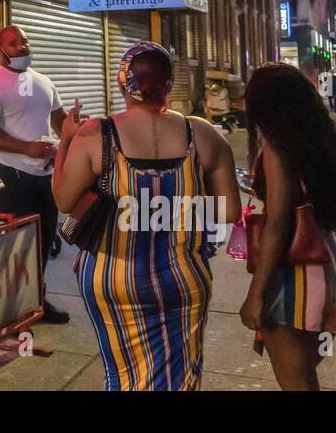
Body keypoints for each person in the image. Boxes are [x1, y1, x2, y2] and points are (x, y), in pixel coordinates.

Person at [54, 42, 241, 390]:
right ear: (169, 84)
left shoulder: (96, 134)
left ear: (124, 82)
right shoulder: (202, 134)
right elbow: (229, 210)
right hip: (182, 279)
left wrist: (65, 141)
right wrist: (169, 208)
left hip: (113, 280)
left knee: (123, 376)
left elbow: (64, 200)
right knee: (179, 376)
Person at [240, 63, 336, 391]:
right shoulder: (322, 146)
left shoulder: (277, 150)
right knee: (305, 376)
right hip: (328, 275)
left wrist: (256, 294)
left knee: (296, 382)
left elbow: (278, 223)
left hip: (294, 283)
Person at [0, 25, 69, 324]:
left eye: (24, 41)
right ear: (2, 50)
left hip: (45, 175)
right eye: (14, 43)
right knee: (15, 245)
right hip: (11, 175)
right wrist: (26, 148)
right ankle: (11, 311)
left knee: (43, 239)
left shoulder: (43, 81)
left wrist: (76, 127)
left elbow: (60, 122)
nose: (21, 47)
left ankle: (36, 300)